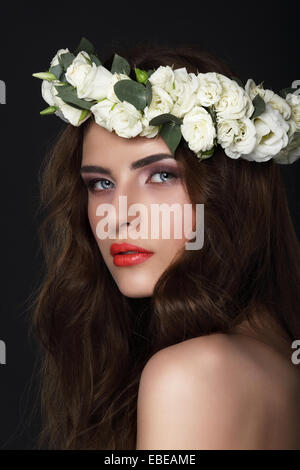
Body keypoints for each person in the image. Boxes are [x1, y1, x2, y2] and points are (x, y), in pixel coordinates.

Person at [30, 43, 300, 450]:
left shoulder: (189, 375)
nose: (118, 216)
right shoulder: (276, 354)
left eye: (160, 176)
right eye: (101, 184)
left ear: (230, 193)